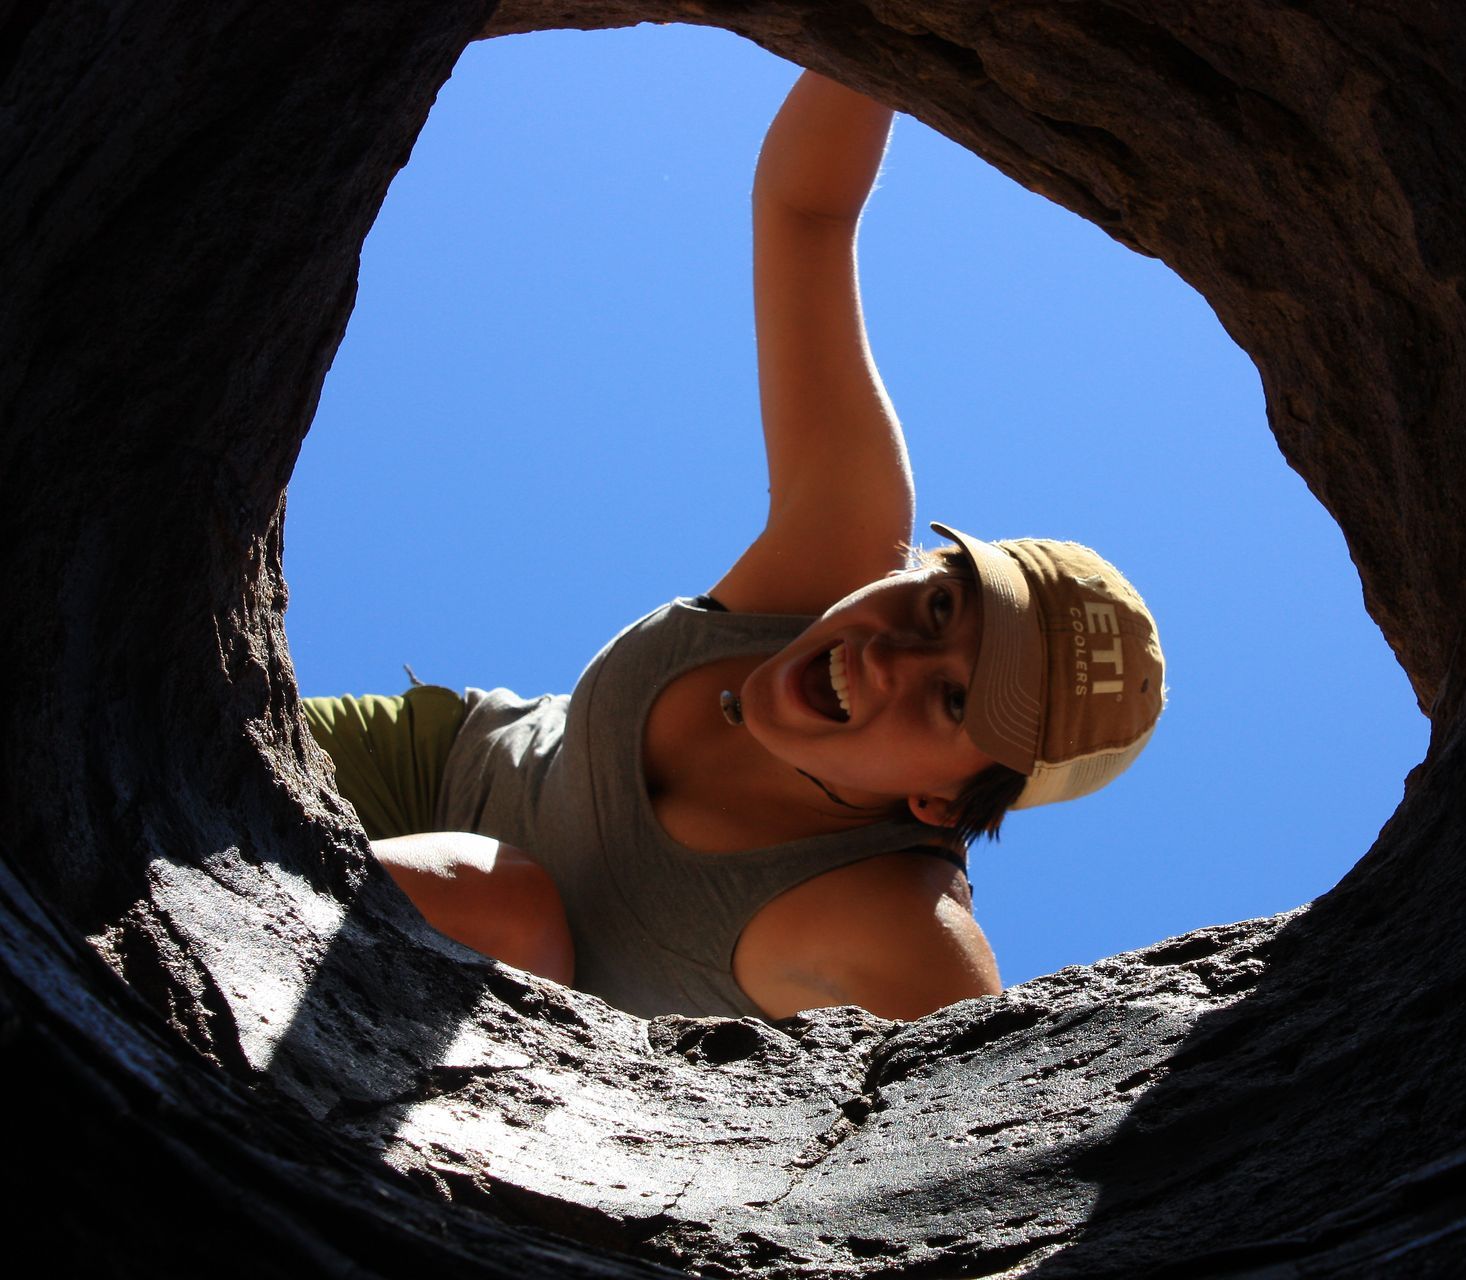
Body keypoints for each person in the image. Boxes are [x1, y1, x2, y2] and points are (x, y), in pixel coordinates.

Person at [301, 70, 1165, 1022]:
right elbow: (806, 213)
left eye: (954, 699)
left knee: (506, 903)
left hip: (459, 1022)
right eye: (939, 606)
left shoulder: (892, 923)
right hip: (416, 765)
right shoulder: (837, 555)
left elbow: (980, 1124)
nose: (890, 656)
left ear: (944, 806)